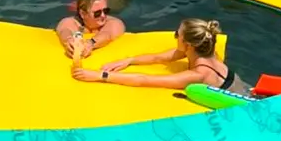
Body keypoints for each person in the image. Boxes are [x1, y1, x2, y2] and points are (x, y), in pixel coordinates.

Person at [75, 17, 250, 99]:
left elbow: (144, 80)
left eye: (177, 35)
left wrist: (101, 76)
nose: (175, 37)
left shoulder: (198, 74)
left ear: (188, 44)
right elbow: (159, 57)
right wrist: (128, 60)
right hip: (243, 87)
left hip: (240, 101)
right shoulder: (205, 51)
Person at [56, 0, 124, 58]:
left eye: (106, 10)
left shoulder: (114, 22)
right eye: (97, 13)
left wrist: (91, 43)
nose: (103, 15)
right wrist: (69, 41)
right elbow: (65, 30)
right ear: (83, 13)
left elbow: (107, 34)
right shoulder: (72, 22)